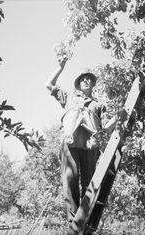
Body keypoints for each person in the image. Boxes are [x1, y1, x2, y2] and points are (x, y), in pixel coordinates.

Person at [46, 59, 111, 234]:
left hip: (91, 145)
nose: (86, 81)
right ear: (78, 83)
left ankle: (86, 218)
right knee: (70, 181)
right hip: (71, 143)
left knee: (90, 182)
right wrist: (60, 67)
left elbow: (107, 126)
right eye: (83, 79)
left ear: (93, 84)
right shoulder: (69, 97)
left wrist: (121, 116)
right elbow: (49, 84)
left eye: (89, 79)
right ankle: (74, 221)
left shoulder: (99, 104)